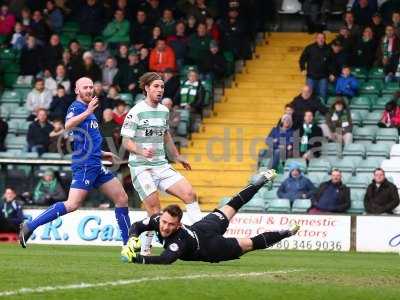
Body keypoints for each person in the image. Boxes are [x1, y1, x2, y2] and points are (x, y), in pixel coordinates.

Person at [19, 77, 132, 263]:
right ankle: (30, 226)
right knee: (72, 204)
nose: (89, 90)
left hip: (95, 162)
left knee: (122, 198)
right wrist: (87, 111)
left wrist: (104, 153)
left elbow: (86, 140)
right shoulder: (77, 107)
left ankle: (128, 247)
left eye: (91, 87)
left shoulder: (89, 110)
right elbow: (68, 125)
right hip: (86, 165)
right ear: (77, 90)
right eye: (85, 87)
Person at [123, 170, 300, 264]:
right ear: (160, 218)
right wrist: (132, 239)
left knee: (233, 204)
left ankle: (259, 182)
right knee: (249, 243)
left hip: (204, 233)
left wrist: (137, 259)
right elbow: (138, 226)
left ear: (178, 225)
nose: (165, 227)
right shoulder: (158, 220)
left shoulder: (178, 240)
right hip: (211, 247)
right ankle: (286, 232)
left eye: (170, 225)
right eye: (164, 222)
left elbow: (165, 259)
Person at [121, 72, 202, 256]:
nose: (160, 90)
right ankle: (146, 248)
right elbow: (126, 142)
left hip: (161, 165)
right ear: (147, 88)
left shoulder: (164, 111)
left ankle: (202, 237)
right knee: (155, 209)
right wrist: (141, 151)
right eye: (156, 86)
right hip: (141, 167)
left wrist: (177, 156)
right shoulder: (136, 111)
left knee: (190, 194)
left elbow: (165, 135)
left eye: (162, 87)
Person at [299, 32, 333, 100]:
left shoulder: (329, 49)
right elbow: (302, 59)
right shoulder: (309, 48)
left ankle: (321, 110)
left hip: (323, 77)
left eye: (322, 38)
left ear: (325, 39)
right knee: (308, 95)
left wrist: (332, 73)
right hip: (311, 76)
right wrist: (303, 69)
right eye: (319, 38)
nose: (321, 39)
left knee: (323, 96)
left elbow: (332, 63)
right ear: (316, 39)